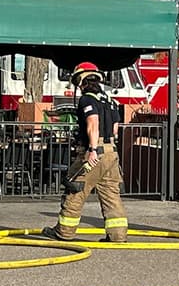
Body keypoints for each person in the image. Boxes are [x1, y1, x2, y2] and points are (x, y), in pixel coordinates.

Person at [41, 62, 128, 242]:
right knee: (111, 194)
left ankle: (64, 232)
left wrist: (92, 150)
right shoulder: (110, 101)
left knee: (75, 189)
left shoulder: (87, 99)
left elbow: (93, 123)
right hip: (112, 153)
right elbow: (115, 129)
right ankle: (118, 236)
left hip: (96, 153)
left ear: (81, 80)